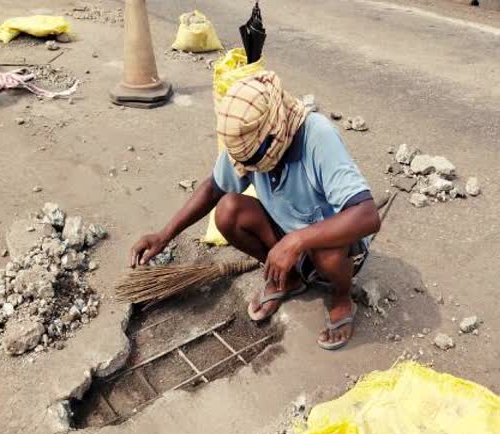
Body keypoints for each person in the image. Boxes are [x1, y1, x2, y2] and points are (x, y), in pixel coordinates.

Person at [130, 72, 380, 350]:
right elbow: (214, 188)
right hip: (288, 232)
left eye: (253, 159)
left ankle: (342, 297)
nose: (247, 166)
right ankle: (291, 278)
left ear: (273, 134)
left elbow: (367, 215)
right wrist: (165, 235)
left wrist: (296, 241)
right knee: (228, 211)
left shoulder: (317, 136)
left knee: (326, 250)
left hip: (334, 242)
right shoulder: (249, 140)